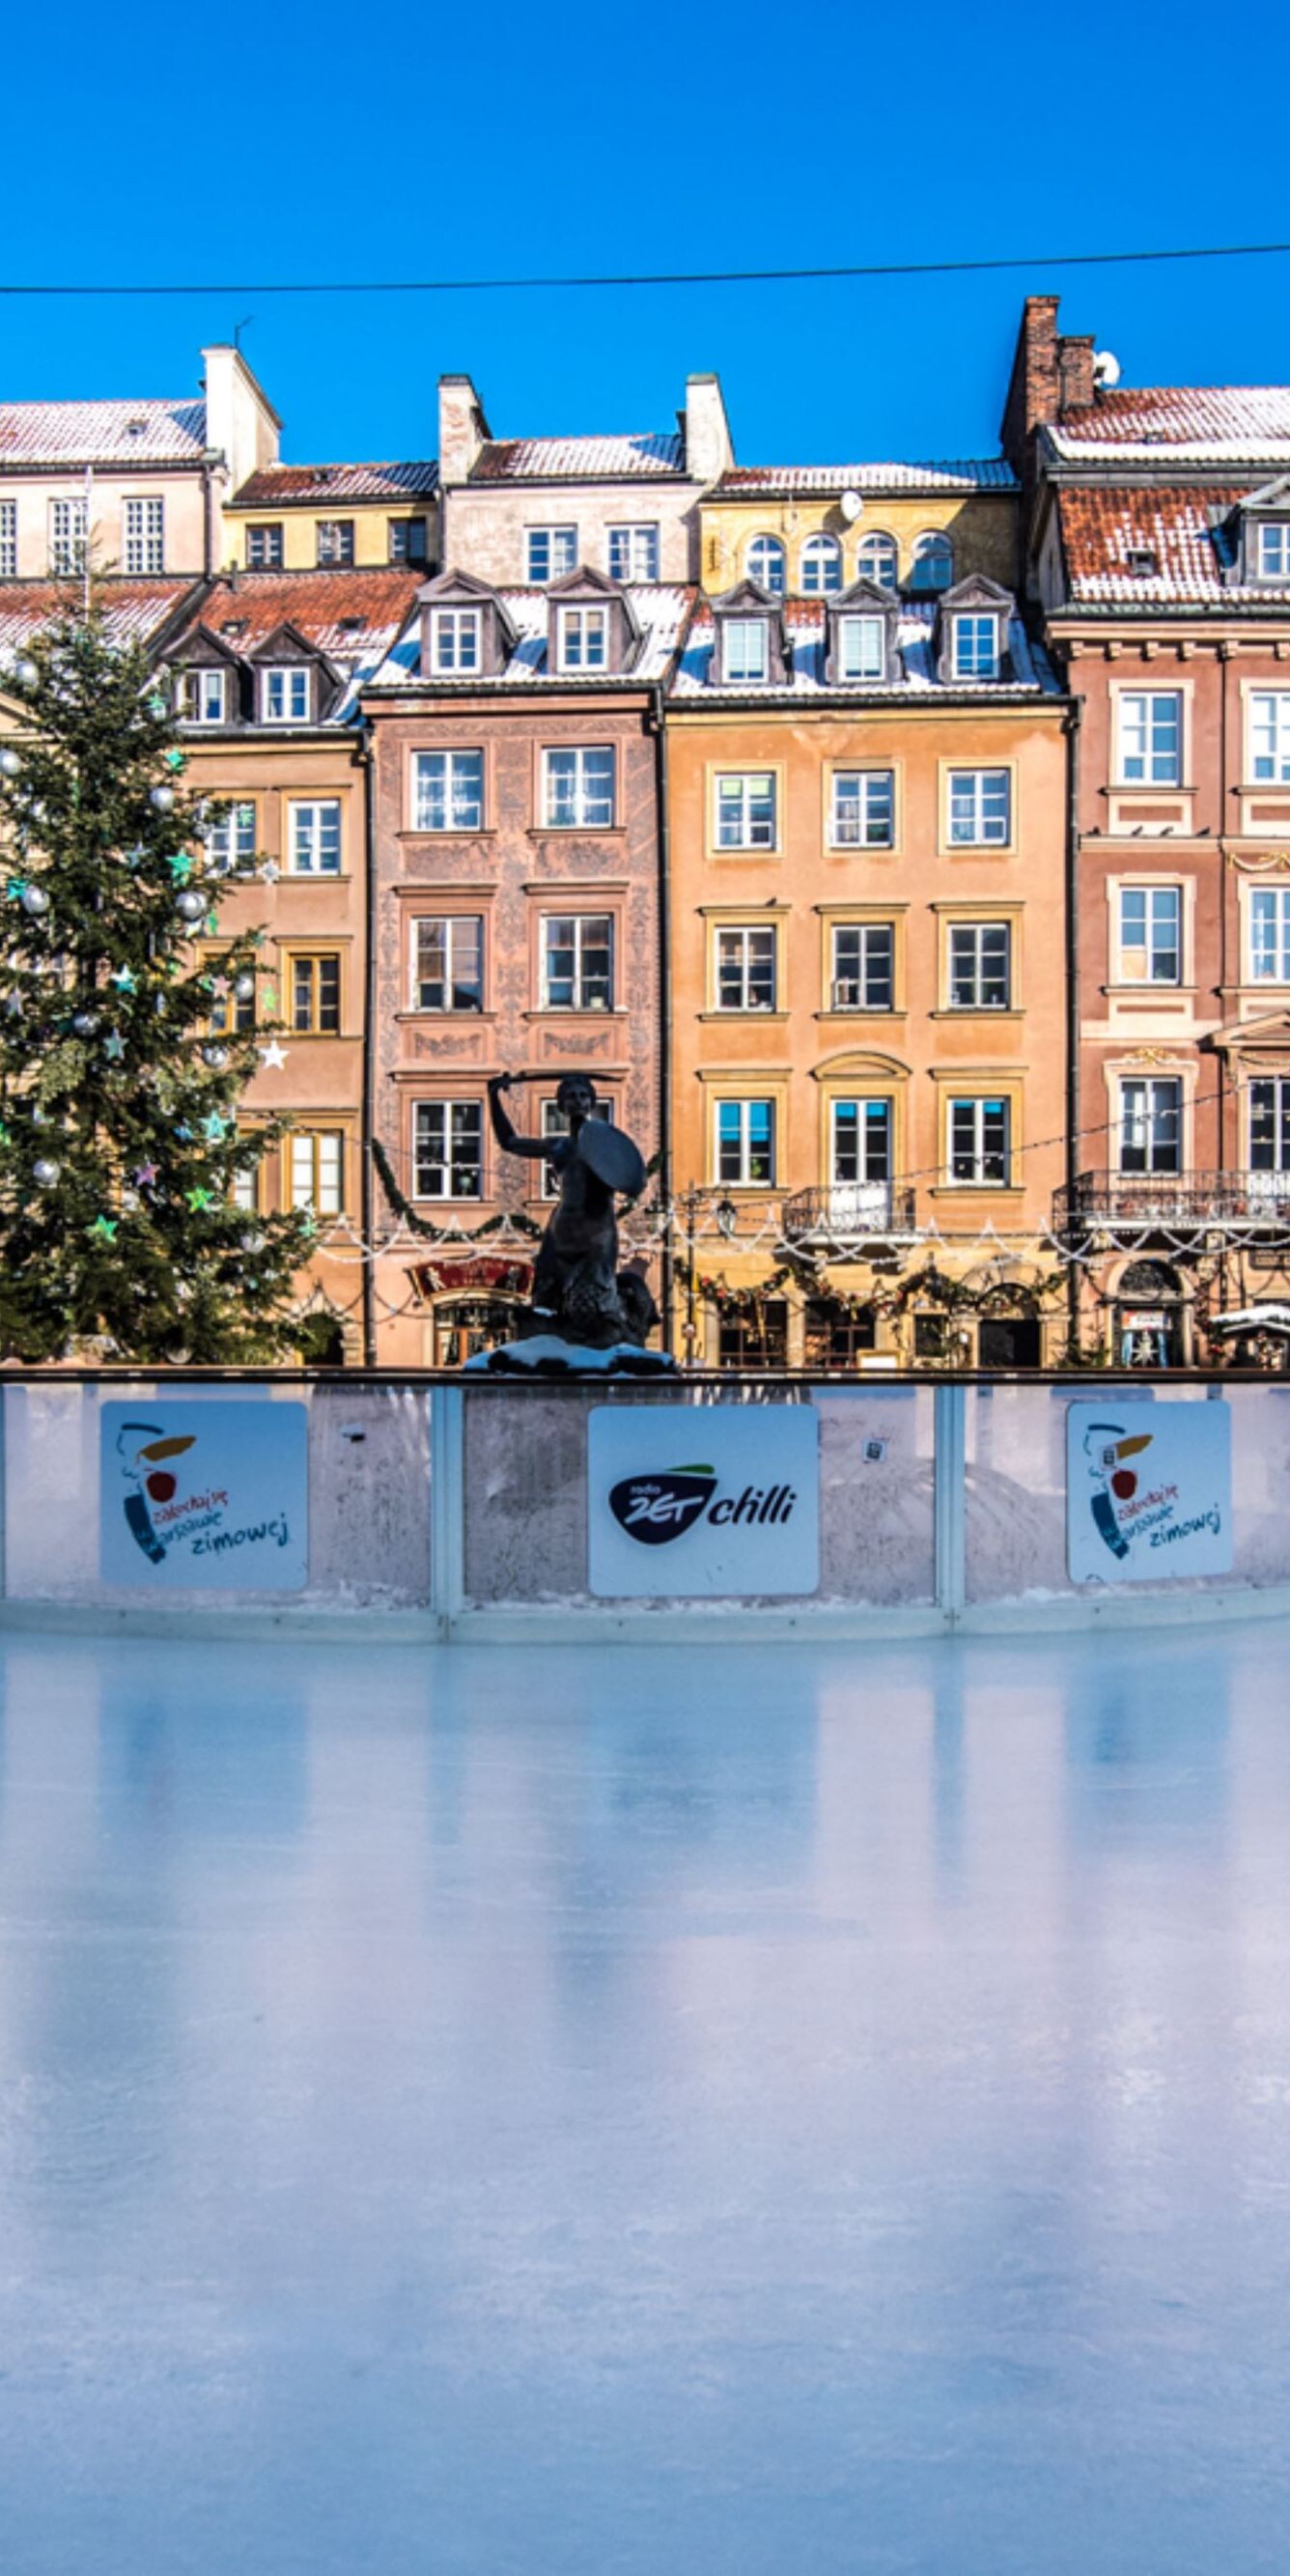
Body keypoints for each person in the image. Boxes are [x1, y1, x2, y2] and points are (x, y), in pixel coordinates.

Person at [487, 1071, 650, 1346]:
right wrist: (492, 1097)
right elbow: (509, 1142)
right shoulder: (558, 1146)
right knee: (546, 1300)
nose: (578, 1101)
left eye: (584, 1095)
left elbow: (631, 1178)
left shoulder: (604, 1147)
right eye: (571, 1096)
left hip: (597, 1233)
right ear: (561, 1105)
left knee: (593, 1305)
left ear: (591, 1103)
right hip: (561, 1230)